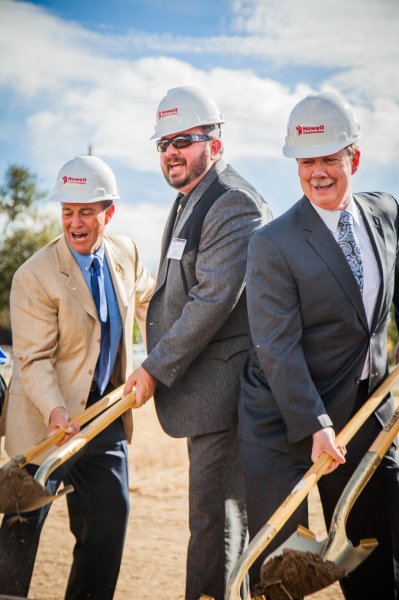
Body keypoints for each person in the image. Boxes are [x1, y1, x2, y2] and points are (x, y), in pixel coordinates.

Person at [239, 91, 399, 598]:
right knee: (281, 576)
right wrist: (314, 423)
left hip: (365, 409)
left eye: (330, 158)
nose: (318, 173)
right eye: (307, 161)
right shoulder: (273, 243)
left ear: (354, 157)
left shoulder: (387, 213)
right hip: (285, 419)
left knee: (378, 555)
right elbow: (277, 346)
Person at [123, 85, 272, 600]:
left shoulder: (233, 202)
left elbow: (212, 300)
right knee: (212, 518)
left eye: (182, 139)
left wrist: (154, 367)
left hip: (223, 394)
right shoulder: (191, 198)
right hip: (201, 391)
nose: (170, 152)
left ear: (215, 140)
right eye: (162, 143)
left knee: (217, 521)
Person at [0, 155, 154, 599]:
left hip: (105, 417)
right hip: (45, 423)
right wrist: (55, 409)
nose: (76, 222)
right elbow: (33, 360)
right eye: (68, 211)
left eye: (87, 211)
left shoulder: (126, 253)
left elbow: (153, 300)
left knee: (109, 523)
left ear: (109, 212)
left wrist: (158, 359)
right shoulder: (34, 276)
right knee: (20, 530)